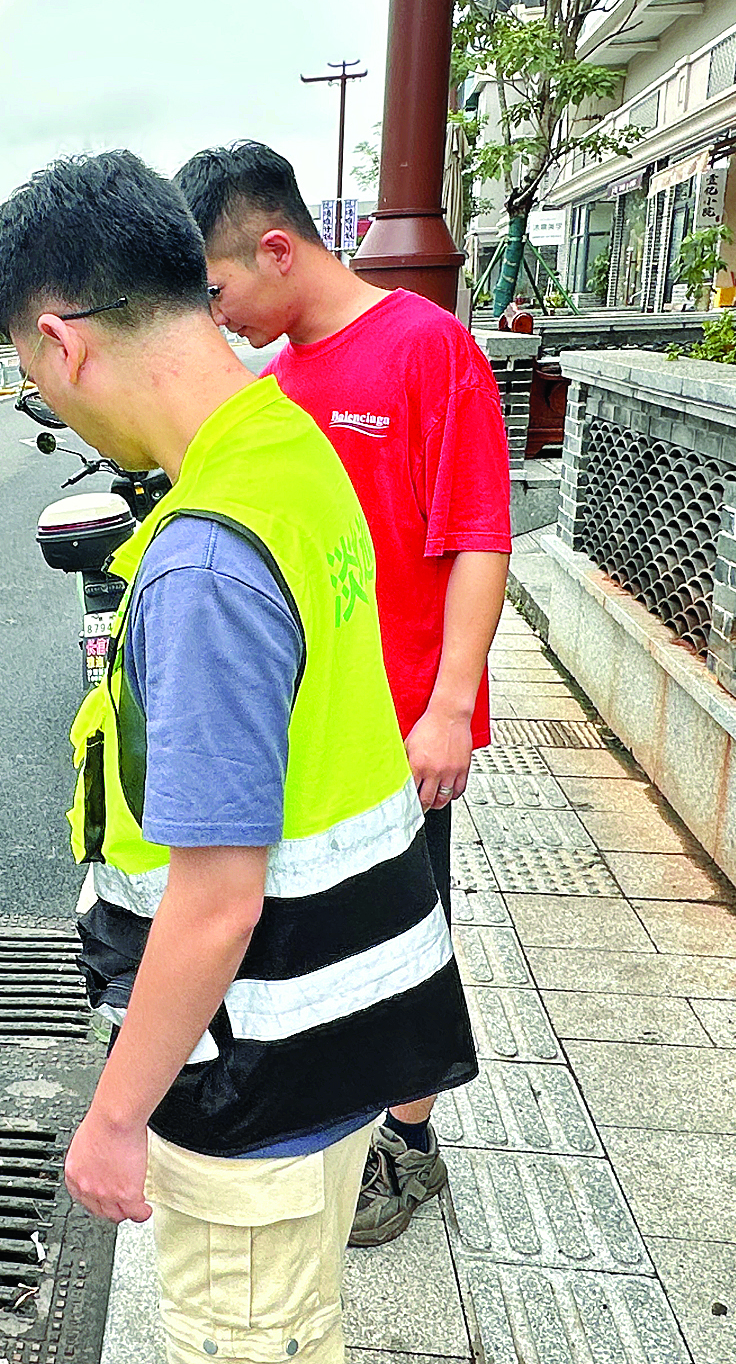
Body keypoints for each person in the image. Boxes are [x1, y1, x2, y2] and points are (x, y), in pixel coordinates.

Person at [0, 151, 477, 1364]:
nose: (56, 401)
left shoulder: (203, 555)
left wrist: (113, 1116)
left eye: (40, 372)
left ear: (63, 337)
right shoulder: (291, 448)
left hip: (255, 1054)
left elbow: (211, 902)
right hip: (349, 1019)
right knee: (291, 1331)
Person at [176, 141, 510, 1249]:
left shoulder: (428, 350)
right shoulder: (278, 385)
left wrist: (452, 707)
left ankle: (408, 1152)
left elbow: (476, 538)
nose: (219, 317)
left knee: (412, 930)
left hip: (406, 726)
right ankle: (334, 1120)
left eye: (219, 289)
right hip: (308, 729)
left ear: (276, 248)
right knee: (315, 930)